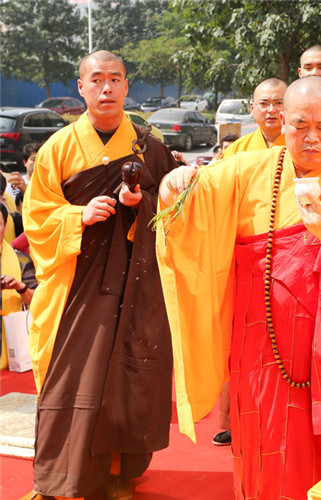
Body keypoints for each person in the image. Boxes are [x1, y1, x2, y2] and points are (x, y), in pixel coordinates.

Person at [155, 76, 321, 500]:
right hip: (263, 354)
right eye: (299, 126)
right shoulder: (246, 172)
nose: (311, 138)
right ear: (281, 121)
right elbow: (193, 202)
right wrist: (177, 185)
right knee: (265, 454)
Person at [22, 50, 175, 500]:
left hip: (135, 284)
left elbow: (177, 209)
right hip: (78, 286)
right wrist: (77, 216)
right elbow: (35, 218)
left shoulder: (150, 145)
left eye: (115, 79)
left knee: (127, 376)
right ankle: (63, 480)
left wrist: (140, 205)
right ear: (82, 86)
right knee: (73, 376)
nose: (106, 88)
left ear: (127, 86)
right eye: (97, 80)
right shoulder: (58, 147)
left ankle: (118, 472)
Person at [0, 203, 37, 370]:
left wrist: (20, 287)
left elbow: (37, 302)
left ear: (5, 226)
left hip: (13, 353)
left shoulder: (21, 259)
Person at [222, 78, 287, 158]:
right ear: (252, 108)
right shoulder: (236, 149)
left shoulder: (301, 147)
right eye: (264, 103)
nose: (271, 110)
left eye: (279, 103)